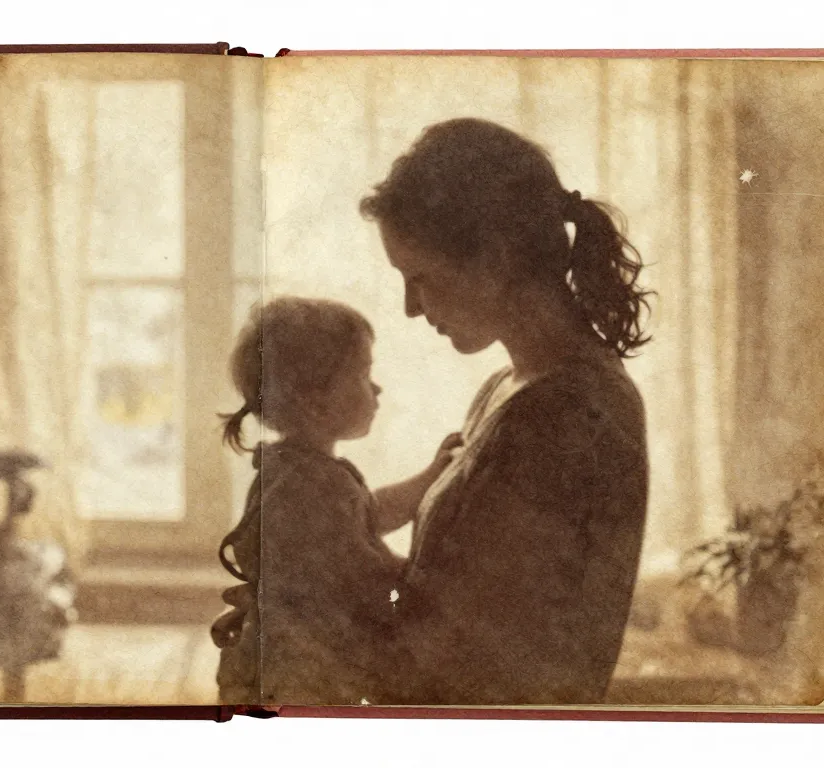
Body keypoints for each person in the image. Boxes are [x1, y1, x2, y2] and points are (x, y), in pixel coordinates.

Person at [358, 118, 652, 705]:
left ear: (494, 258)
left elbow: (470, 652)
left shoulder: (565, 413)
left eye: (420, 278)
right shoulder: (507, 388)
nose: (411, 308)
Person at [210, 296, 461, 705]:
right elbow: (365, 575)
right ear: (314, 402)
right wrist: (424, 580)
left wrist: (429, 477)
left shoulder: (297, 469)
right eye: (363, 374)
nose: (376, 388)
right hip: (301, 669)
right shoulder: (309, 484)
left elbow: (368, 513)